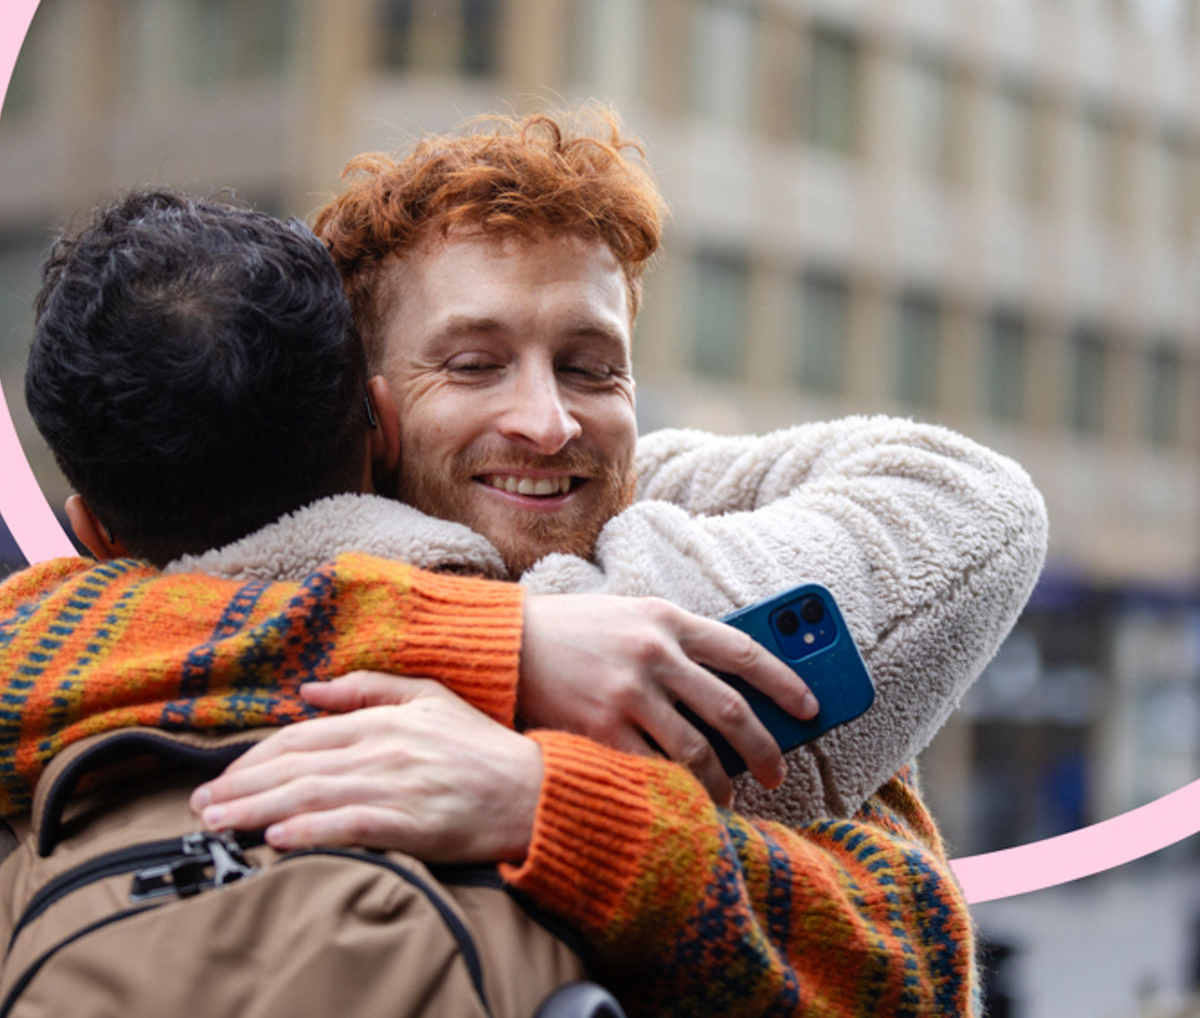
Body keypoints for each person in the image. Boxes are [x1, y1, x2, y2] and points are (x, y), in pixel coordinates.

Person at [2, 104, 1048, 1012]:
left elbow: (914, 960)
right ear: (369, 415)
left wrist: (556, 806)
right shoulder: (197, 615)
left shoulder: (711, 595)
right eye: (473, 364)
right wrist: (505, 645)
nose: (547, 421)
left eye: (592, 369)